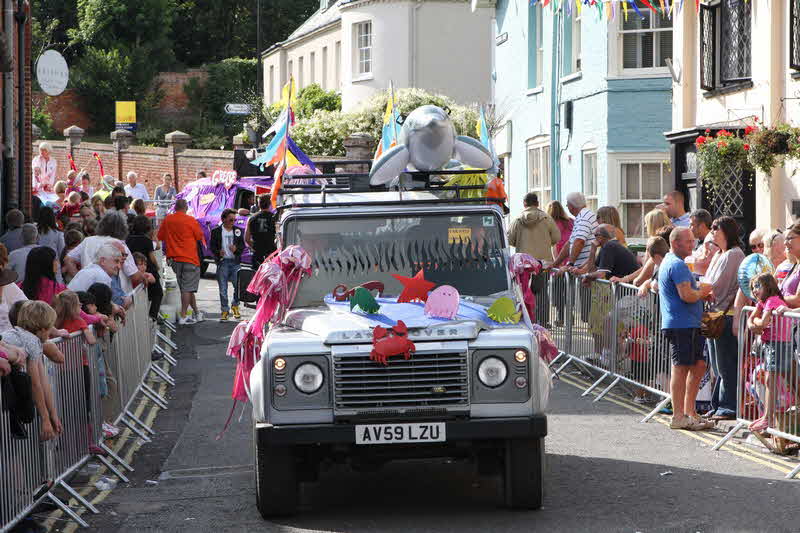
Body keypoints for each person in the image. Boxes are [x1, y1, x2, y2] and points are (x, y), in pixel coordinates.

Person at [658, 227, 714, 430]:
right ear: (675, 243)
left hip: (687, 323)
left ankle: (690, 412)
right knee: (680, 368)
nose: (693, 244)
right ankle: (678, 416)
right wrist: (703, 291)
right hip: (681, 324)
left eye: (693, 240)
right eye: (688, 241)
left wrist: (698, 293)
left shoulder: (674, 262)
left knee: (698, 365)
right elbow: (687, 296)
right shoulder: (677, 265)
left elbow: (688, 293)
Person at [703, 216, 745, 421]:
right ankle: (717, 404)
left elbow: (718, 286)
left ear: (726, 231)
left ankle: (728, 407)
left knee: (726, 364)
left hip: (725, 317)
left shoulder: (734, 255)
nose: (712, 231)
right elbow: (709, 282)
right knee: (717, 366)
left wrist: (700, 288)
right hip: (714, 314)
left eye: (715, 228)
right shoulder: (721, 254)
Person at [2, 300, 63, 441]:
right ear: (41, 329)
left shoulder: (26, 337)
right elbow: (35, 384)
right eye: (49, 328)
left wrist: (52, 414)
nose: (50, 333)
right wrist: (46, 420)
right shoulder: (32, 341)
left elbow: (43, 382)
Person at [746, 273, 793, 433]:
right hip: (770, 344)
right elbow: (752, 319)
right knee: (768, 380)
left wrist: (756, 324)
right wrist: (754, 324)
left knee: (772, 380)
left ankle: (768, 418)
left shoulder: (772, 300)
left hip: (779, 344)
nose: (754, 290)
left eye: (757, 286)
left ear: (769, 286)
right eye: (752, 287)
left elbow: (762, 322)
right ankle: (767, 416)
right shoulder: (763, 302)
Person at [507, 192, 560, 326]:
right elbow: (557, 238)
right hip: (542, 263)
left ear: (524, 204)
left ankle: (527, 319)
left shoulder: (518, 220)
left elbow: (510, 239)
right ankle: (543, 321)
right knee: (542, 292)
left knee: (523, 292)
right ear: (537, 203)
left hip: (523, 265)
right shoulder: (546, 218)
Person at [63, 212, 145, 293]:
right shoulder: (120, 245)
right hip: (114, 294)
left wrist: (81, 277)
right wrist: (145, 277)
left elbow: (68, 259)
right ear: (123, 228)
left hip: (89, 293)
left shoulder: (88, 241)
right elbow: (134, 275)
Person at [158, 198, 204, 324]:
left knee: (187, 288)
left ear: (175, 207)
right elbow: (199, 236)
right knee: (186, 289)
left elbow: (160, 236)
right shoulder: (191, 220)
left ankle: (197, 313)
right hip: (190, 259)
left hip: (174, 260)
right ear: (186, 208)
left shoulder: (168, 220)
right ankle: (183, 316)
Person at [211, 209, 245, 321]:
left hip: (235, 262)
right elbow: (212, 247)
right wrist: (218, 252)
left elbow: (242, 246)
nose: (233, 222)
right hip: (223, 262)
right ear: (223, 219)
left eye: (234, 220)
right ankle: (225, 310)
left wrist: (236, 250)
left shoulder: (238, 231)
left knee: (239, 287)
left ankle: (235, 305)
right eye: (231, 219)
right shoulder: (216, 231)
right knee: (223, 289)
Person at [126, 215, 163, 319]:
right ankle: (152, 316)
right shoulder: (146, 240)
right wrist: (157, 266)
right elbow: (152, 257)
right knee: (158, 293)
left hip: (133, 268)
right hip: (147, 268)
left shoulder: (128, 239)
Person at [554, 192, 598, 272]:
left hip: (583, 269)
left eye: (567, 205)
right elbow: (570, 243)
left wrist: (570, 264)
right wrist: (555, 264)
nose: (567, 207)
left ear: (571, 206)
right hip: (579, 268)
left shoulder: (584, 217)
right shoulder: (581, 216)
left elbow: (579, 241)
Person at [245, 195, 277, 267]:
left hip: (257, 253)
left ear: (258, 204)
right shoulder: (274, 218)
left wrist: (255, 247)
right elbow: (279, 237)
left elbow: (247, 239)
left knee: (257, 275)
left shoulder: (251, 218)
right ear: (270, 204)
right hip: (271, 253)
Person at [688, 209, 714, 276]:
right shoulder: (700, 241)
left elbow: (704, 267)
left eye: (691, 225)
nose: (689, 228)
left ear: (702, 226)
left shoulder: (711, 243)